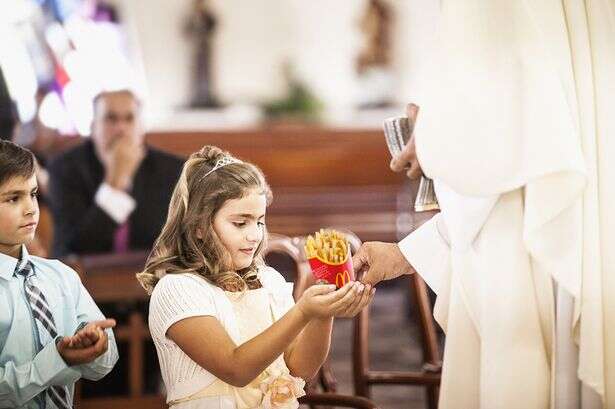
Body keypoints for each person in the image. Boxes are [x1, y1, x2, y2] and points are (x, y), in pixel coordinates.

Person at [353, 1, 615, 408]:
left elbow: (486, 147)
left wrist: (430, 135)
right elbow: (520, 161)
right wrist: (404, 255)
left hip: (528, 273)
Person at [137, 146, 374, 408]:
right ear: (199, 227)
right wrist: (303, 312)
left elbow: (300, 370)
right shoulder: (178, 288)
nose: (255, 235)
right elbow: (235, 368)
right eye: (241, 223)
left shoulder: (268, 280)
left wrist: (322, 313)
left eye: (259, 221)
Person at [0, 139, 118, 408]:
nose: (30, 208)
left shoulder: (60, 276)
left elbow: (103, 365)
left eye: (33, 194)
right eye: (13, 198)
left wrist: (95, 346)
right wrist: (58, 359)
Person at [48, 89, 183, 257]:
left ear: (141, 128)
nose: (120, 129)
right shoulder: (64, 169)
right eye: (110, 119)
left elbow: (170, 243)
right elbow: (74, 249)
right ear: (93, 127)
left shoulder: (172, 170)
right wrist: (115, 184)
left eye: (129, 119)